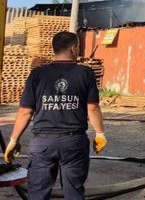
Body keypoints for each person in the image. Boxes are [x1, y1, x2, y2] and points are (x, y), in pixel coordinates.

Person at [3, 31, 107, 199]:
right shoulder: (85, 73)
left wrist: (14, 140)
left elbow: (25, 111)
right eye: (78, 47)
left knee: (37, 193)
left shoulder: (38, 74)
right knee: (74, 192)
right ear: (73, 48)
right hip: (74, 142)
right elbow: (93, 108)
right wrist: (100, 133)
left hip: (43, 143)